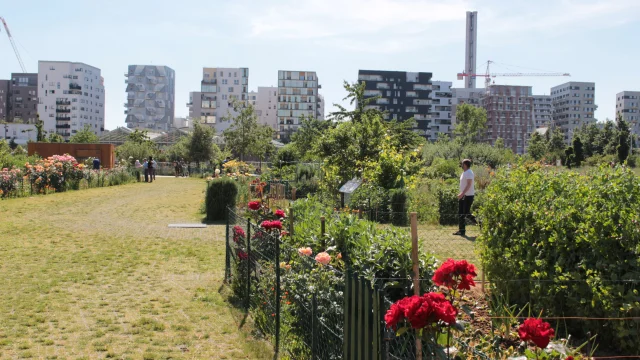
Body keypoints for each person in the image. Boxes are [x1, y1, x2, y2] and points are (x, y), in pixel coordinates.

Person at [454, 159, 475, 236]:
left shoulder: (469, 172)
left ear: (465, 165)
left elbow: (469, 184)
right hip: (463, 195)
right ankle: (461, 231)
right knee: (461, 213)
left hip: (468, 196)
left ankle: (480, 224)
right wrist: (461, 194)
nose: (461, 165)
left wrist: (462, 193)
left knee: (466, 213)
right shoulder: (465, 173)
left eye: (462, 164)